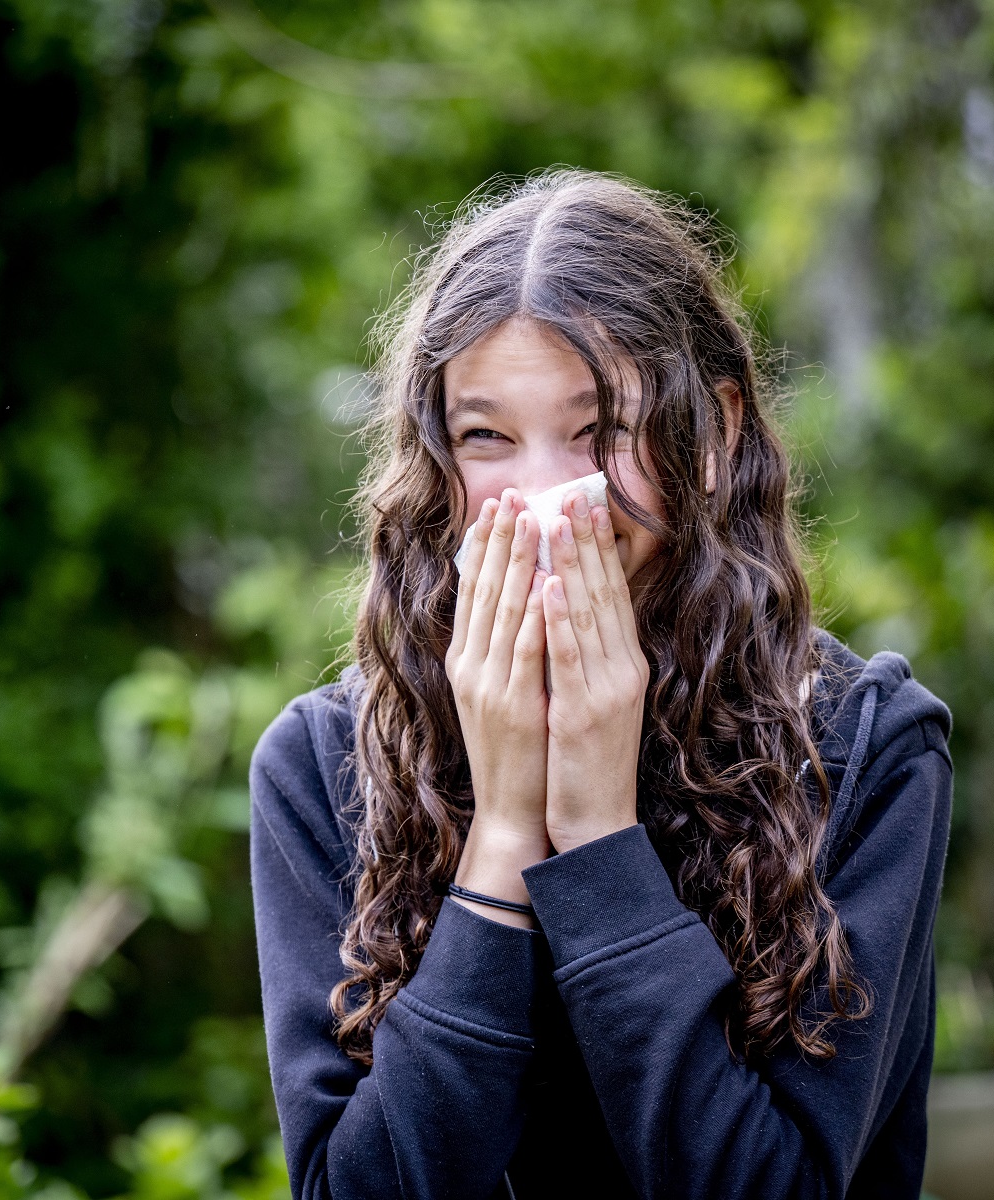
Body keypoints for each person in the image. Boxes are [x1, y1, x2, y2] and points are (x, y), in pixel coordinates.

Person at [248, 170, 953, 1200]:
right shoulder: (321, 763)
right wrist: (502, 835)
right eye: (486, 436)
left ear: (712, 436)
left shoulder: (863, 749)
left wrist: (597, 836)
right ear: (436, 464)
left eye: (604, 430)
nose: (547, 498)